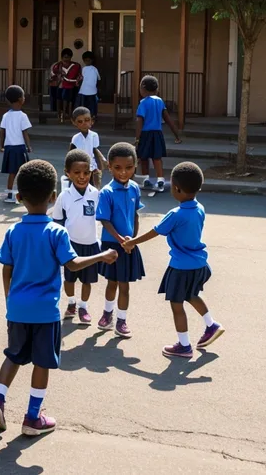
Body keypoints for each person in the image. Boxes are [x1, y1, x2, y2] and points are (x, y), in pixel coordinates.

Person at [0, 160, 117, 436]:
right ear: (54, 197)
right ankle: (33, 418)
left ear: (19, 197)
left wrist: (10, 300)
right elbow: (72, 264)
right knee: (42, 362)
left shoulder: (13, 231)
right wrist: (102, 255)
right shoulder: (56, 232)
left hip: (17, 309)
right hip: (45, 312)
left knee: (14, 355)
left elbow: (6, 269)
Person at [124, 162, 223, 357]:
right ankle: (211, 324)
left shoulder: (176, 214)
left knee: (177, 305)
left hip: (181, 267)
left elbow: (155, 232)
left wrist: (132, 242)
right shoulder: (199, 208)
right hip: (200, 263)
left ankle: (184, 346)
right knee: (192, 294)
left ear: (177, 188)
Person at [96, 142, 145, 338]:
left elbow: (135, 216)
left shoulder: (134, 188)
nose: (123, 172)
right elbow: (105, 221)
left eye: (128, 168)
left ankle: (121, 321)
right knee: (112, 282)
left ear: (135, 166)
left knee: (125, 284)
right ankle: (107, 314)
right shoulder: (106, 192)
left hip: (129, 245)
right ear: (109, 166)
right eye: (117, 168)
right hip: (112, 245)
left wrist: (133, 240)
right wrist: (120, 240)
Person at [52, 149, 100, 324]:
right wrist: (57, 246)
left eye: (86, 172)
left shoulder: (95, 194)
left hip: (91, 244)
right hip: (70, 245)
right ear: (68, 173)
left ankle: (83, 306)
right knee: (69, 279)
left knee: (88, 281)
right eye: (77, 173)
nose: (82, 176)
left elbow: (102, 218)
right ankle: (71, 302)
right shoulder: (64, 196)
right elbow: (57, 221)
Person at [135, 75, 182, 192]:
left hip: (145, 134)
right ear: (156, 89)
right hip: (157, 133)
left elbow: (139, 121)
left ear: (143, 88)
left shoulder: (143, 103)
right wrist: (176, 134)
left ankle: (146, 180)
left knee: (144, 158)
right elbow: (168, 119)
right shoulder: (160, 101)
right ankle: (160, 180)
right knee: (157, 157)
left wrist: (137, 138)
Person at [0, 85, 32, 204]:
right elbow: (25, 133)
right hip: (20, 147)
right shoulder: (22, 116)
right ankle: (22, 195)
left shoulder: (6, 115)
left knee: (12, 172)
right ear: (20, 99)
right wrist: (29, 146)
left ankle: (9, 195)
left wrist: (1, 146)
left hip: (9, 147)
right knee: (23, 171)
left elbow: (2, 132)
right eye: (23, 96)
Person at [70, 106, 105, 190]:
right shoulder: (75, 138)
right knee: (81, 187)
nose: (84, 123)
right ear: (74, 123)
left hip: (93, 167)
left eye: (87, 120)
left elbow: (95, 150)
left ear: (91, 121)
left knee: (94, 188)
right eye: (80, 121)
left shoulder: (94, 135)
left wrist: (100, 166)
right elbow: (72, 153)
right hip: (80, 167)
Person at [57, 48, 81, 123]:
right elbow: (53, 75)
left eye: (68, 57)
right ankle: (60, 115)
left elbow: (79, 75)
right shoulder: (58, 65)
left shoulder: (76, 65)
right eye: (65, 57)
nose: (66, 59)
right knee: (60, 100)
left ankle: (69, 115)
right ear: (62, 57)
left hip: (72, 86)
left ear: (71, 57)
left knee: (70, 101)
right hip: (61, 86)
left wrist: (78, 80)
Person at [75, 51, 100, 118]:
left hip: (90, 91)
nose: (87, 62)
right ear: (84, 60)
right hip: (85, 90)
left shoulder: (94, 69)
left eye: (89, 60)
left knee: (90, 104)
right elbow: (98, 79)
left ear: (92, 60)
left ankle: (92, 116)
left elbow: (98, 79)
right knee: (86, 105)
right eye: (86, 60)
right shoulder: (84, 69)